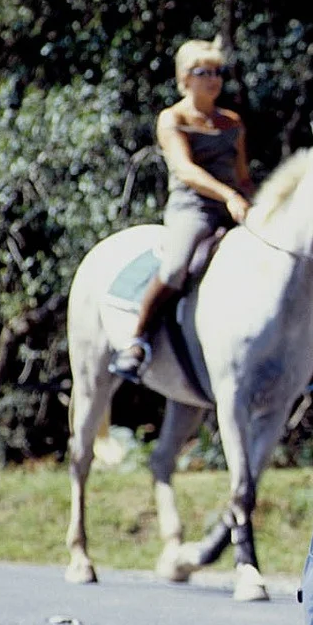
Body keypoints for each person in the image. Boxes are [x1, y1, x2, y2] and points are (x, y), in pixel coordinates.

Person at [109, 38, 255, 382]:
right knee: (176, 267)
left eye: (217, 72)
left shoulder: (232, 122)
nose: (213, 79)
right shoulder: (172, 118)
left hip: (233, 207)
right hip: (192, 208)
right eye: (203, 72)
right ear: (185, 78)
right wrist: (229, 196)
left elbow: (244, 176)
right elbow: (185, 169)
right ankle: (137, 340)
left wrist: (257, 205)